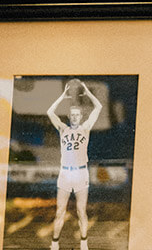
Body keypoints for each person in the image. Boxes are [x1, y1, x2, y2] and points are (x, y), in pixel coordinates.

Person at [45, 80, 104, 250]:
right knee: (59, 212)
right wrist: (63, 97)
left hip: (80, 173)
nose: (75, 117)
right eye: (72, 115)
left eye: (78, 115)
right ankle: (54, 244)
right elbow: (50, 111)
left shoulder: (85, 128)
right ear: (69, 117)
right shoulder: (63, 129)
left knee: (81, 211)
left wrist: (87, 91)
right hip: (65, 173)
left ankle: (84, 243)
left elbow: (98, 107)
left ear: (81, 117)